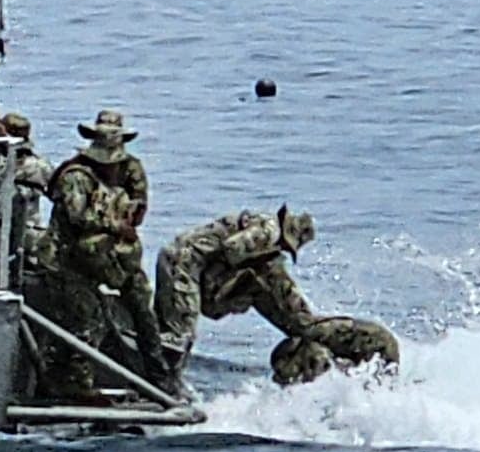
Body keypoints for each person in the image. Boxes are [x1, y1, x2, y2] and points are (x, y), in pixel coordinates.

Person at [151, 206, 370, 394]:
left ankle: (158, 379)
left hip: (180, 260)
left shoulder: (261, 224)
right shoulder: (269, 230)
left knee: (168, 328)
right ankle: (165, 387)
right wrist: (262, 266)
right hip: (184, 265)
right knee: (181, 333)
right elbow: (233, 249)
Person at [37, 108, 165, 394]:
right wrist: (114, 224)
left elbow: (138, 210)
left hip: (107, 256)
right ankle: (76, 387)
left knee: (142, 306)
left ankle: (159, 377)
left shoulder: (130, 170)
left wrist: (129, 214)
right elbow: (77, 217)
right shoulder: (77, 176)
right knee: (88, 318)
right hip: (66, 258)